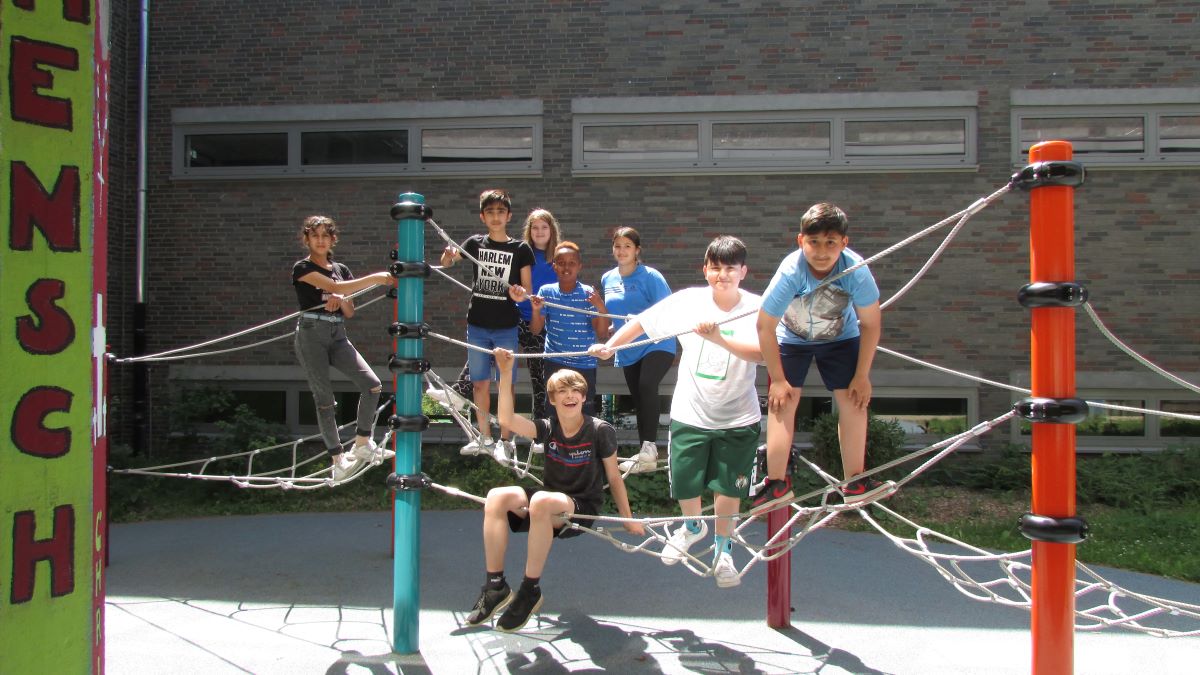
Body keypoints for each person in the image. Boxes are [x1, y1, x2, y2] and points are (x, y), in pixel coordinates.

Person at [592, 235, 762, 588]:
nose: (722, 275)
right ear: (705, 269)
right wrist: (610, 347)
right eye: (715, 268)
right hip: (691, 411)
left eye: (730, 268)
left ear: (743, 271)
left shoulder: (756, 308)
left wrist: (717, 337)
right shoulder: (688, 301)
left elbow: (762, 353)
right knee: (685, 481)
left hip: (738, 415)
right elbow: (642, 321)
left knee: (728, 488)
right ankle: (692, 526)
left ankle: (724, 549)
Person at [465, 348, 642, 632]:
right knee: (497, 497)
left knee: (543, 502)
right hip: (547, 504)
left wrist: (628, 517)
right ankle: (495, 585)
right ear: (552, 399)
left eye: (575, 390)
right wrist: (507, 371)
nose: (570, 395)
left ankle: (529, 589)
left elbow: (614, 476)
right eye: (562, 391)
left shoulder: (599, 430)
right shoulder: (548, 427)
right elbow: (508, 421)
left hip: (579, 508)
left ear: (584, 397)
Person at [753, 202, 893, 511]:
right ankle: (777, 483)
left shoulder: (855, 271)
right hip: (792, 339)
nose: (821, 251)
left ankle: (855, 482)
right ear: (800, 240)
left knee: (854, 399)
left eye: (830, 242)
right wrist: (777, 379)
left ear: (844, 243)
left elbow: (871, 323)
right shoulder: (791, 271)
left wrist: (862, 375)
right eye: (813, 242)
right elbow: (764, 326)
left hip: (840, 338)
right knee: (782, 402)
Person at [433, 208, 561, 439]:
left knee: (539, 376)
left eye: (544, 227)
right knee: (487, 356)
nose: (540, 232)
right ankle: (460, 395)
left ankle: (540, 432)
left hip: (538, 320)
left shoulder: (558, 258)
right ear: (529, 231)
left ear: (552, 230)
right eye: (535, 227)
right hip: (512, 315)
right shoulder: (522, 252)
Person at [291, 215, 397, 480]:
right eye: (315, 236)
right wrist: (375, 278)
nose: (320, 240)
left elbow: (349, 310)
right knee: (325, 399)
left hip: (337, 332)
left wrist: (341, 300)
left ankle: (362, 443)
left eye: (325, 236)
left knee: (372, 384)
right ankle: (338, 460)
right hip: (311, 333)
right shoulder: (302, 268)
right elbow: (334, 286)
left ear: (332, 239)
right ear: (307, 239)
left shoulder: (341, 269)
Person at [440, 189, 534, 462]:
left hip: (506, 325)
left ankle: (506, 439)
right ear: (483, 216)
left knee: (506, 384)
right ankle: (484, 437)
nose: (495, 217)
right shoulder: (474, 243)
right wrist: (447, 257)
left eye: (500, 212)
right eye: (490, 212)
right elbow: (447, 262)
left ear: (509, 216)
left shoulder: (520, 249)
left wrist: (520, 294)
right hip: (477, 325)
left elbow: (526, 289)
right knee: (479, 383)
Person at [600, 226, 676, 473]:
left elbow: (666, 310)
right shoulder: (607, 278)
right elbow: (617, 312)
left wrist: (639, 321)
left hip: (656, 342)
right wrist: (615, 328)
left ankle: (651, 446)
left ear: (637, 251)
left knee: (646, 385)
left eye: (627, 247)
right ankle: (646, 456)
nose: (622, 251)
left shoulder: (651, 276)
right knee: (638, 397)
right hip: (627, 346)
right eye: (618, 246)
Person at [530, 241, 610, 418]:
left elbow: (603, 333)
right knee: (554, 411)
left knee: (584, 413)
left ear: (579, 266)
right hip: (555, 362)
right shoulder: (546, 291)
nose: (566, 267)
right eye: (561, 262)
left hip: (584, 364)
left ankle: (585, 446)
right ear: (554, 266)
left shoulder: (588, 294)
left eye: (572, 263)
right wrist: (536, 310)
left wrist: (600, 306)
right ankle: (553, 445)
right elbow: (535, 330)